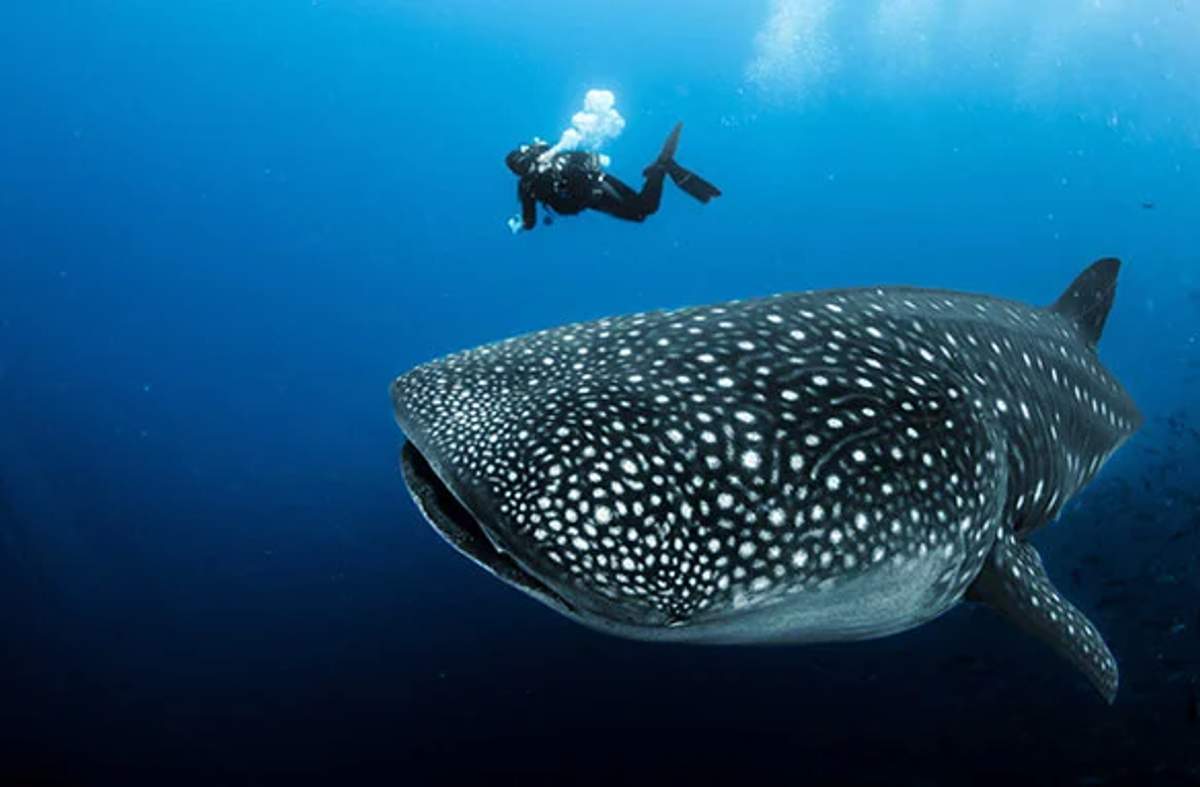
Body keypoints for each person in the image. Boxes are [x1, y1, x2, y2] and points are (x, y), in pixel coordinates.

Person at [504, 122, 721, 232]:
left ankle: (661, 166)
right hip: (599, 183)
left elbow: (530, 222)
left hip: (594, 194)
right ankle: (662, 167)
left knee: (644, 210)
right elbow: (594, 159)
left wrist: (518, 225)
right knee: (642, 212)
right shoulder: (546, 162)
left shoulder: (526, 186)